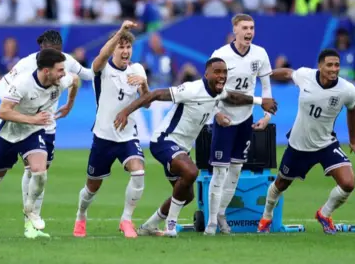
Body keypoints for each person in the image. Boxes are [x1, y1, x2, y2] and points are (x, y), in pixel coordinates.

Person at [114, 58, 277, 237]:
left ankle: (149, 226)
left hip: (181, 148)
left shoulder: (218, 93)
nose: (222, 76)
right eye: (217, 72)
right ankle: (171, 225)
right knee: (191, 172)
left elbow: (233, 97)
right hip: (164, 141)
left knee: (187, 195)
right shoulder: (191, 89)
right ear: (206, 74)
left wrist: (259, 101)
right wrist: (125, 112)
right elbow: (154, 95)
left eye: (224, 72)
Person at [0, 48, 80, 240]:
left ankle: (30, 209)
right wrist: (33, 119)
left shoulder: (60, 81)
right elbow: (2, 111)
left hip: (32, 132)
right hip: (9, 133)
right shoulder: (22, 83)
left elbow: (76, 80)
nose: (64, 74)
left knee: (40, 171)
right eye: (60, 70)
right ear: (47, 71)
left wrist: (69, 105)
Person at [0, 29, 93, 231]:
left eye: (58, 52)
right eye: (51, 51)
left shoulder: (66, 61)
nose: (56, 57)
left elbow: (87, 75)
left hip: (48, 124)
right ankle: (30, 223)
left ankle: (32, 217)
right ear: (41, 49)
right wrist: (22, 110)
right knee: (31, 169)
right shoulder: (25, 64)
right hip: (27, 123)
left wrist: (70, 103)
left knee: (41, 172)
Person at [258, 49, 355, 234]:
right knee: (281, 184)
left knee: (348, 183)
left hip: (326, 144)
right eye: (329, 65)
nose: (333, 69)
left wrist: (353, 141)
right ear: (320, 66)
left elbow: (352, 110)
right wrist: (266, 75)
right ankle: (266, 217)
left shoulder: (347, 90)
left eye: (337, 65)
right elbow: (289, 73)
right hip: (299, 145)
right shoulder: (306, 75)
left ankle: (324, 214)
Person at [72, 20, 150, 239]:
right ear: (114, 48)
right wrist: (120, 33)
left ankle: (126, 219)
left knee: (139, 172)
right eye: (121, 47)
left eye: (128, 47)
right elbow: (98, 59)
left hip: (128, 136)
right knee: (92, 187)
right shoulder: (103, 69)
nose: (125, 51)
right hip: (104, 136)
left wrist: (143, 85)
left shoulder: (137, 69)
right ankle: (81, 215)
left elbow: (148, 102)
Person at [205, 13, 274, 235]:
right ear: (234, 30)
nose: (249, 32)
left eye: (252, 28)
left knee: (235, 171)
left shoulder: (260, 54)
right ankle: (211, 223)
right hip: (225, 121)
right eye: (244, 28)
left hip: (246, 120)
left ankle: (221, 214)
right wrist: (215, 114)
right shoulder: (220, 55)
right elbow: (209, 89)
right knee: (219, 172)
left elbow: (266, 89)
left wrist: (266, 116)